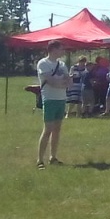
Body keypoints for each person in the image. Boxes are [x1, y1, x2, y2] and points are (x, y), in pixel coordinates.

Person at [36, 41, 69, 169]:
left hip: (61, 99)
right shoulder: (43, 63)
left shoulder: (62, 64)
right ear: (53, 49)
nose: (63, 51)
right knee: (47, 129)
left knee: (57, 129)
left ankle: (53, 157)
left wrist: (62, 83)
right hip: (49, 99)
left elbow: (68, 80)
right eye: (61, 49)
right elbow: (50, 81)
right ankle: (40, 160)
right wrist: (61, 83)